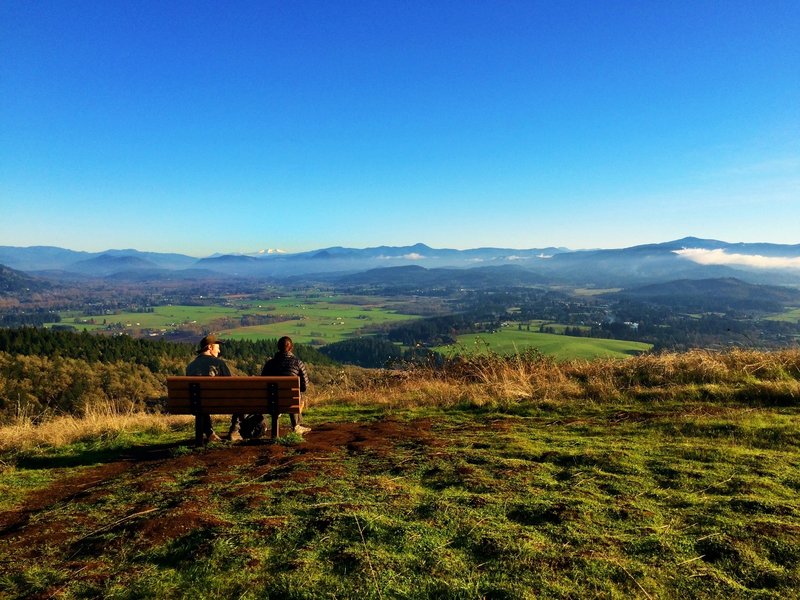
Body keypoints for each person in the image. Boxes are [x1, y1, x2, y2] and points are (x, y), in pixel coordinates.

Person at [185, 333, 231, 442]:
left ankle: (210, 433)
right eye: (218, 348)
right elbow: (230, 385)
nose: (219, 351)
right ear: (210, 347)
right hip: (219, 403)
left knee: (201, 401)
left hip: (195, 404)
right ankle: (235, 430)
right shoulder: (219, 363)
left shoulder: (190, 366)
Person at [261, 336, 311, 434]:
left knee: (281, 395)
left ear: (278, 348)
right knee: (296, 394)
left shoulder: (270, 363)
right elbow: (305, 387)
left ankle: (278, 414)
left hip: (271, 402)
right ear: (291, 348)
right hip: (290, 401)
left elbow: (263, 383)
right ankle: (296, 425)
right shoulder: (297, 363)